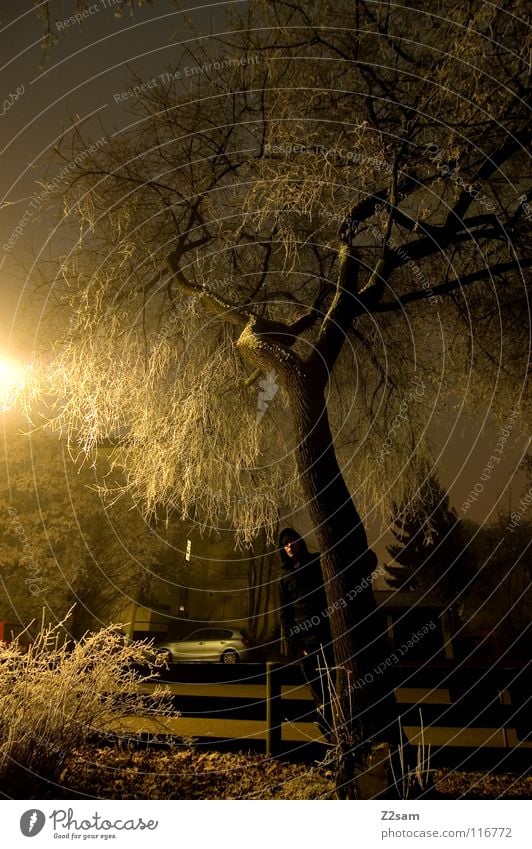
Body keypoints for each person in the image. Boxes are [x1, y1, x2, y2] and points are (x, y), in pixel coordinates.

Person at [278, 527, 334, 733]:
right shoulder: (284, 578)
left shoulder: (317, 562)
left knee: (334, 683)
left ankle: (340, 726)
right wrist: (295, 645)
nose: (289, 546)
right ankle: (327, 727)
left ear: (300, 541)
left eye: (292, 541)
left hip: (328, 635)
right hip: (305, 642)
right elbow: (285, 615)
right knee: (317, 688)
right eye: (285, 544)